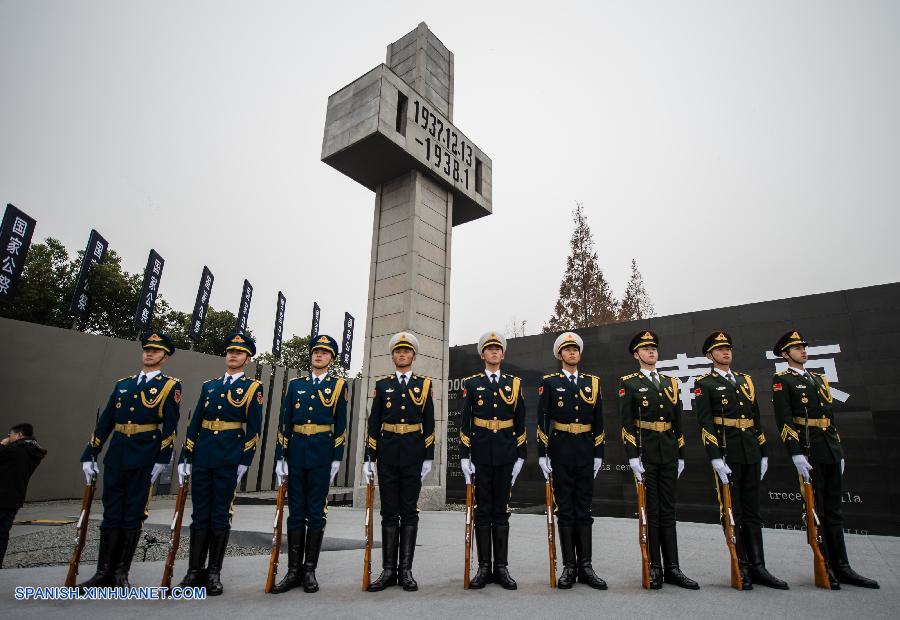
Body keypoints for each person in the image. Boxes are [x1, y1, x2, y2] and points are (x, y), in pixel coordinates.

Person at [772, 330, 879, 589]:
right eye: (796, 348)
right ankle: (825, 564)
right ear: (785, 354)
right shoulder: (782, 380)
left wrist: (838, 451)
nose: (803, 351)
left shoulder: (819, 380)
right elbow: (784, 420)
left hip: (829, 449)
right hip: (809, 452)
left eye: (803, 347)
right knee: (815, 510)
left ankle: (843, 565)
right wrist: (796, 452)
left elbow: (829, 418)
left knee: (834, 511)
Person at [78, 330, 181, 589]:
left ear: (165, 357)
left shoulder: (169, 386)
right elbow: (106, 422)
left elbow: (170, 426)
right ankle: (103, 572)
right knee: (111, 513)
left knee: (133, 514)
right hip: (117, 454)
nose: (149, 353)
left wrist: (163, 459)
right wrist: (90, 452)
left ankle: (121, 572)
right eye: (147, 349)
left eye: (156, 350)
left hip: (144, 455)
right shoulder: (123, 384)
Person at [693, 331, 787, 590]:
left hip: (750, 452)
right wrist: (715, 458)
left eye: (728, 348)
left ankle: (759, 566)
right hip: (727, 453)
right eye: (720, 349)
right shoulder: (705, 383)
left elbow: (756, 419)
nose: (726, 352)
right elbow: (705, 424)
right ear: (709, 355)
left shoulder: (745, 380)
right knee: (733, 512)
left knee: (753, 512)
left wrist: (764, 451)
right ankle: (741, 565)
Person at [176, 331, 264, 595]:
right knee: (199, 514)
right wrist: (186, 457)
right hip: (203, 455)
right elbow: (195, 424)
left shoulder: (252, 388)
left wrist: (244, 461)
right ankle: (193, 571)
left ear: (247, 358)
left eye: (239, 352)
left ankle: (213, 572)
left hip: (229, 456)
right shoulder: (209, 386)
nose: (233, 355)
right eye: (230, 351)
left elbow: (254, 428)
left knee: (220, 515)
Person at [269, 334, 348, 594]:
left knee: (316, 512)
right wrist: (281, 456)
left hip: (322, 454)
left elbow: (341, 425)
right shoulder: (295, 385)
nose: (318, 355)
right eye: (316, 351)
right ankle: (293, 571)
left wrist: (336, 457)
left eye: (324, 353)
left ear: (331, 359)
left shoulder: (338, 386)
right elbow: (284, 422)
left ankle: (310, 569)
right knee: (296, 512)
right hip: (297, 453)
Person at [619, 330, 697, 590]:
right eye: (646, 348)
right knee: (651, 511)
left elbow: (678, 423)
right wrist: (632, 457)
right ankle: (655, 567)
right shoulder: (629, 383)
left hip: (669, 451)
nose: (651, 351)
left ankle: (673, 567)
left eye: (653, 348)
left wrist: (682, 454)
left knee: (668, 510)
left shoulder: (669, 383)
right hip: (646, 452)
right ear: (636, 354)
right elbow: (626, 424)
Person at [363, 332, 435, 592]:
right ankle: (387, 570)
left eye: (406, 352)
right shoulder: (382, 386)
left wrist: (429, 457)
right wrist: (369, 457)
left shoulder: (424, 385)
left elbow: (429, 423)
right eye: (398, 351)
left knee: (409, 511)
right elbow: (373, 423)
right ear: (393, 356)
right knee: (388, 511)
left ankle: (405, 571)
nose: (402, 355)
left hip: (414, 454)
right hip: (388, 453)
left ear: (414, 356)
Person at [537, 331, 606, 590]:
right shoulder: (551, 382)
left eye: (575, 349)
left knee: (584, 509)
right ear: (560, 355)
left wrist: (599, 453)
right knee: (564, 508)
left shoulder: (593, 383)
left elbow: (599, 420)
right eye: (567, 350)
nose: (572, 353)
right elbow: (543, 419)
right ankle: (568, 566)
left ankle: (586, 566)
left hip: (586, 449)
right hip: (561, 449)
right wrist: (543, 453)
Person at [459, 331, 526, 589]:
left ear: (503, 354)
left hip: (506, 453)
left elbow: (520, 422)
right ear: (483, 355)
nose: (494, 352)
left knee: (501, 511)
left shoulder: (514, 383)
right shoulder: (472, 383)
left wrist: (521, 455)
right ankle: (484, 567)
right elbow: (465, 422)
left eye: (498, 349)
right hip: (481, 455)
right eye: (490, 349)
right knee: (482, 511)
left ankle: (502, 568)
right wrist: (465, 456)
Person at [0, 423, 46, 568]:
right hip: (16, 497)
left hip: (2, 496)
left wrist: (2, 443)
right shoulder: (33, 451)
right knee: (3, 532)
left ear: (19, 435)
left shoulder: (14, 450)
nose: (9, 437)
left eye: (10, 435)